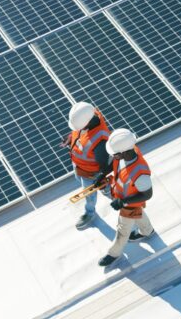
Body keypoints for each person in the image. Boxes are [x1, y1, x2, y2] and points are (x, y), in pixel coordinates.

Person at [98, 129, 155, 267]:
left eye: (115, 155)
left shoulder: (140, 173)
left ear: (123, 153)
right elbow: (115, 164)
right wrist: (103, 174)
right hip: (127, 199)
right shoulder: (127, 151)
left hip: (129, 203)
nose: (113, 157)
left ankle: (113, 253)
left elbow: (147, 194)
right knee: (138, 213)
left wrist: (123, 201)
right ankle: (148, 231)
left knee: (123, 231)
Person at [66, 102, 111, 230]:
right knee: (82, 184)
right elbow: (79, 133)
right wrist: (70, 138)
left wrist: (99, 179)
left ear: (87, 122)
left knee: (90, 195)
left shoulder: (100, 140)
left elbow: (106, 165)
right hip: (79, 168)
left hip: (91, 175)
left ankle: (90, 213)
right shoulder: (86, 116)